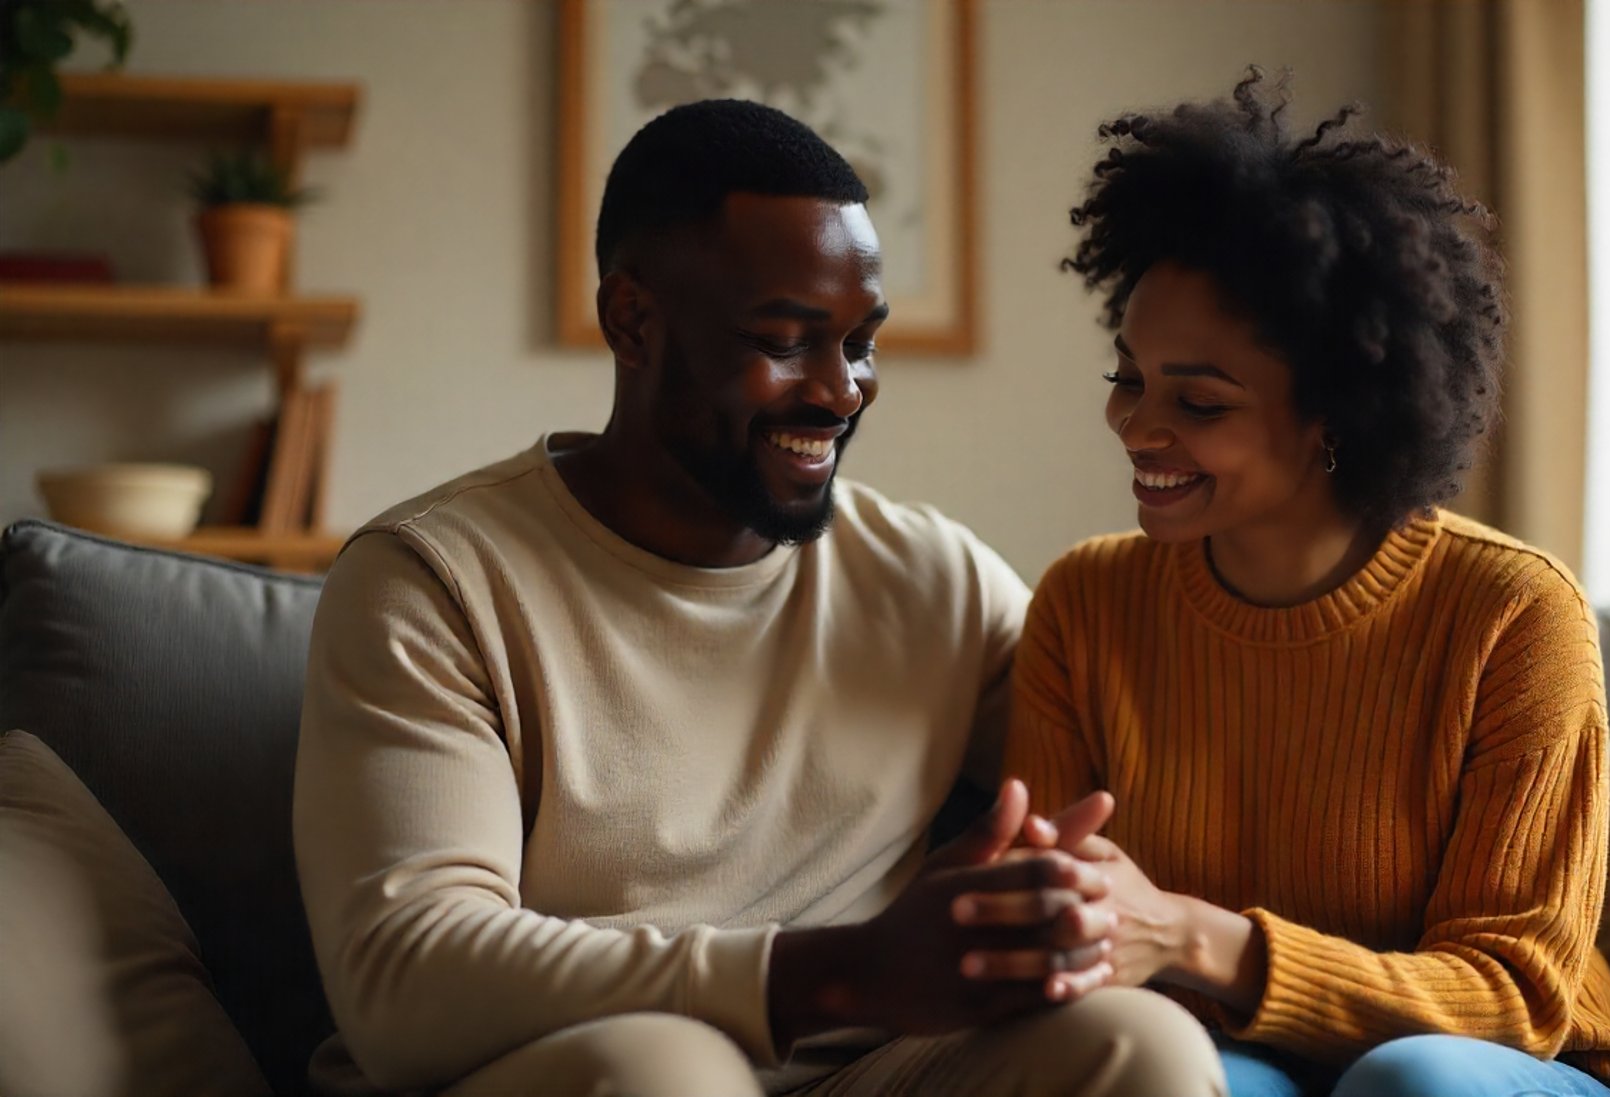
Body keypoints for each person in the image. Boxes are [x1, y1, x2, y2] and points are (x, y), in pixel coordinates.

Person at [292, 99, 1224, 1097]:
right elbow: (404, 977)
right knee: (668, 1066)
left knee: (1138, 1043)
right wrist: (838, 971)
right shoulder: (434, 581)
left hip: (861, 1071)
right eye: (786, 340)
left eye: (860, 342)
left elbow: (1162, 776)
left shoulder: (932, 579)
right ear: (634, 321)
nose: (842, 390)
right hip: (579, 1069)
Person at [989, 71, 1610, 1097]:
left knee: (1408, 1082)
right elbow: (1071, 946)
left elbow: (1516, 998)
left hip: (1504, 1071)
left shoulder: (1514, 613)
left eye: (1199, 399)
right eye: (1128, 377)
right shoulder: (1086, 604)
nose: (1138, 426)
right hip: (1243, 1059)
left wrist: (1191, 933)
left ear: (1336, 413)